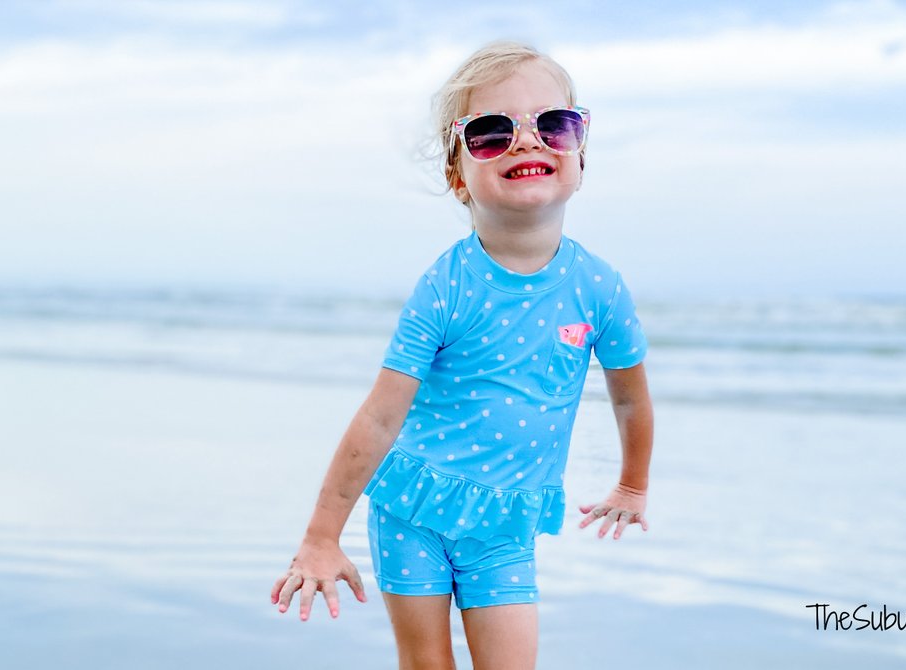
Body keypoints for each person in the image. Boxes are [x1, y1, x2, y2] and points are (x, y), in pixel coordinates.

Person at [271, 40, 654, 670]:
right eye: (490, 132)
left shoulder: (599, 287)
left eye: (553, 124)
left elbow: (630, 394)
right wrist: (320, 537)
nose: (527, 141)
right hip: (412, 510)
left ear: (579, 151)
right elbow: (380, 417)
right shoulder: (446, 286)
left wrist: (633, 485)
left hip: (505, 528)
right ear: (458, 177)